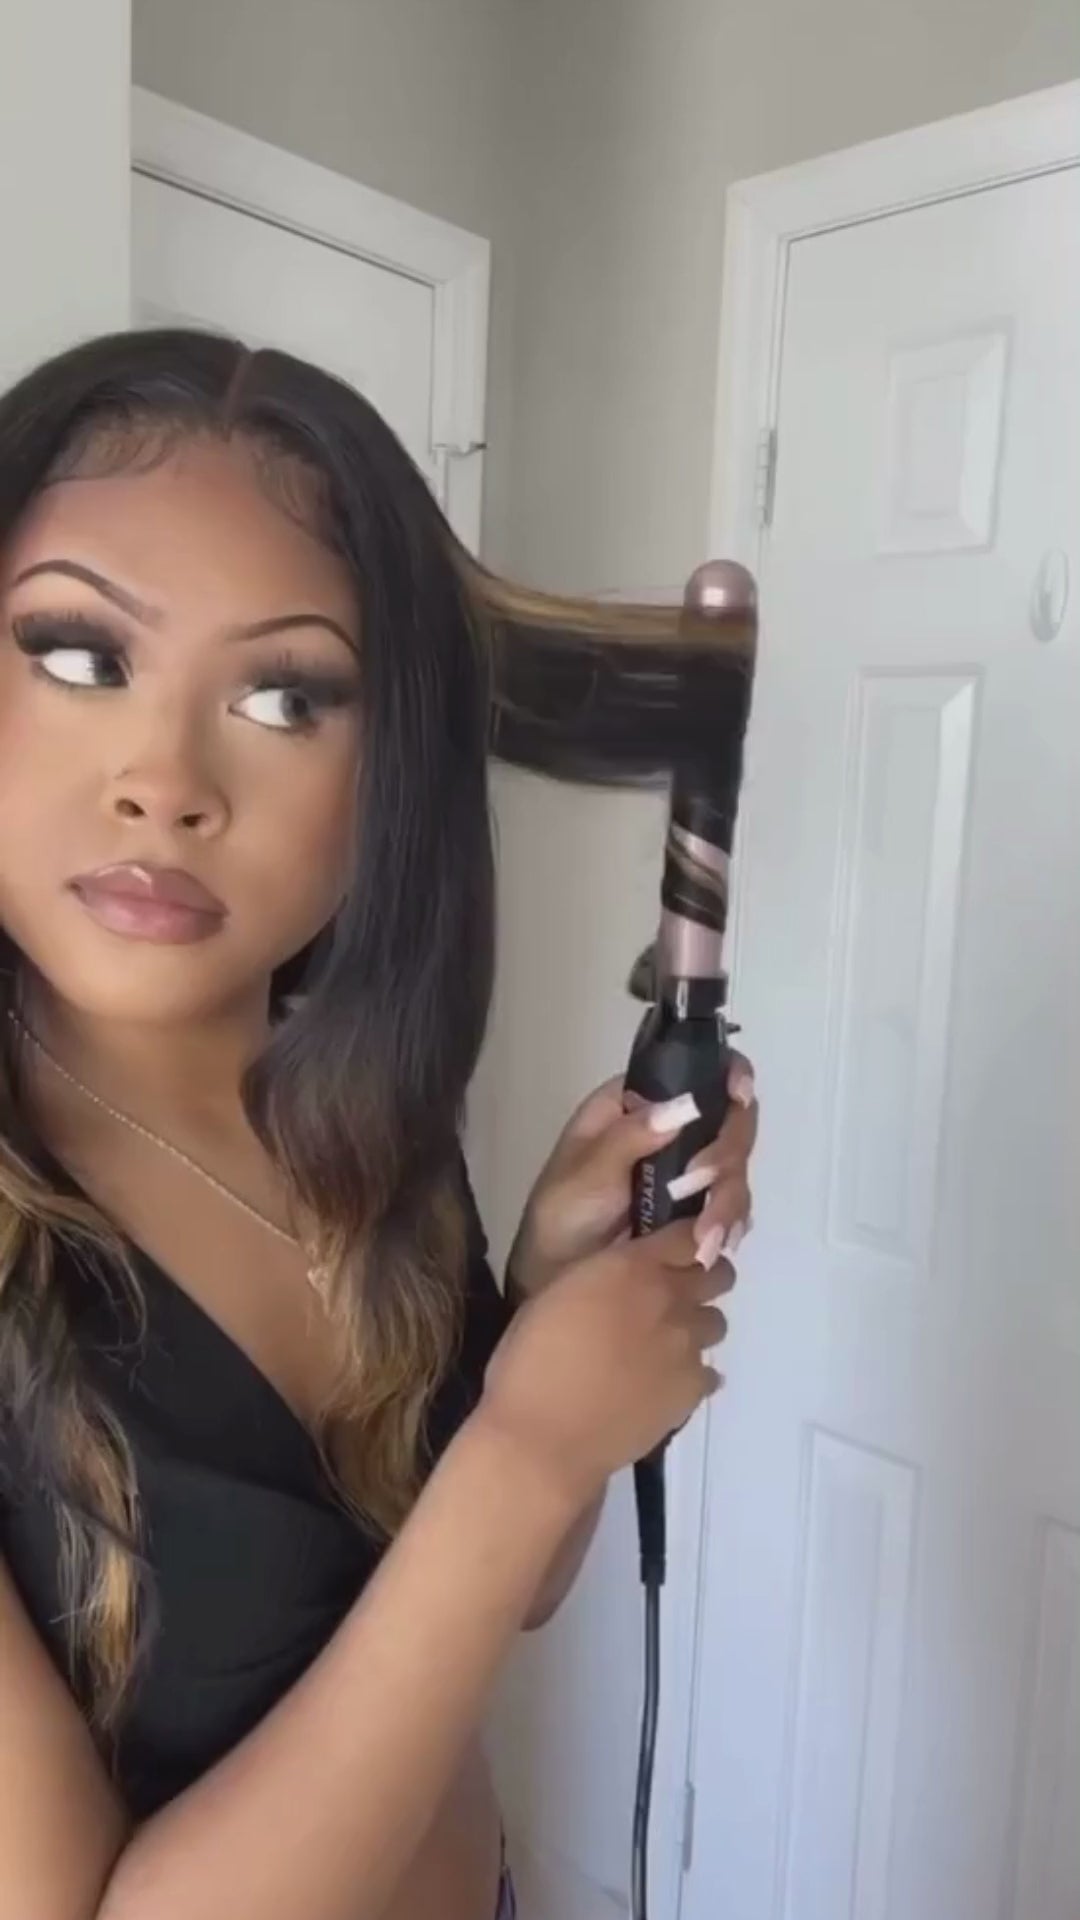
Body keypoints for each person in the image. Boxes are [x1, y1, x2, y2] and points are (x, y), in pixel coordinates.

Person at [0, 330, 756, 1920]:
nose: (163, 781)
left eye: (286, 696)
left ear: (389, 774)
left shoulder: (357, 1128)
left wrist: (552, 1294)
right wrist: (528, 1443)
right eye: (77, 657)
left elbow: (507, 1588)